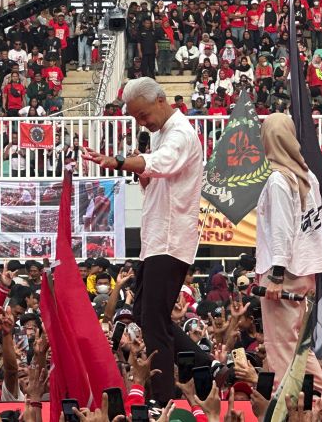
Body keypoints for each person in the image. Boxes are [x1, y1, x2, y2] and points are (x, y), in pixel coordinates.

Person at [82, 77, 205, 404]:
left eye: (143, 115)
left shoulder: (180, 133)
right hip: (156, 239)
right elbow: (155, 181)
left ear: (162, 100)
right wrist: (140, 170)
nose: (142, 123)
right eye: (136, 118)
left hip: (170, 239)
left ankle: (162, 400)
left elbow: (161, 165)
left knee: (154, 321)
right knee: (145, 314)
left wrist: (119, 161)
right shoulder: (163, 133)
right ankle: (207, 366)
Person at [256, 113, 322, 417]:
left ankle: (289, 408)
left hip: (285, 272)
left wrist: (276, 276)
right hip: (305, 268)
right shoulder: (306, 175)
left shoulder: (279, 179)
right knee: (295, 345)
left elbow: (281, 230)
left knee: (281, 347)